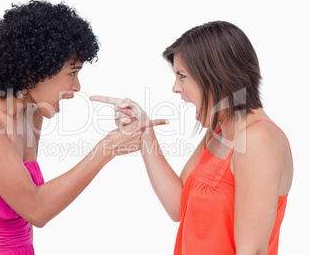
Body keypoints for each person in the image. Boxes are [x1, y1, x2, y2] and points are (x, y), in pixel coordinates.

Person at [0, 0, 167, 255]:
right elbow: (36, 209)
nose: (78, 87)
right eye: (72, 73)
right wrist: (106, 149)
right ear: (34, 70)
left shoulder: (32, 114)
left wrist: (124, 128)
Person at [91, 21, 293, 254]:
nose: (175, 88)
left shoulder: (259, 140)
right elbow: (178, 205)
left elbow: (253, 250)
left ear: (220, 78)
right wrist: (145, 130)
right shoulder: (218, 132)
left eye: (182, 76)